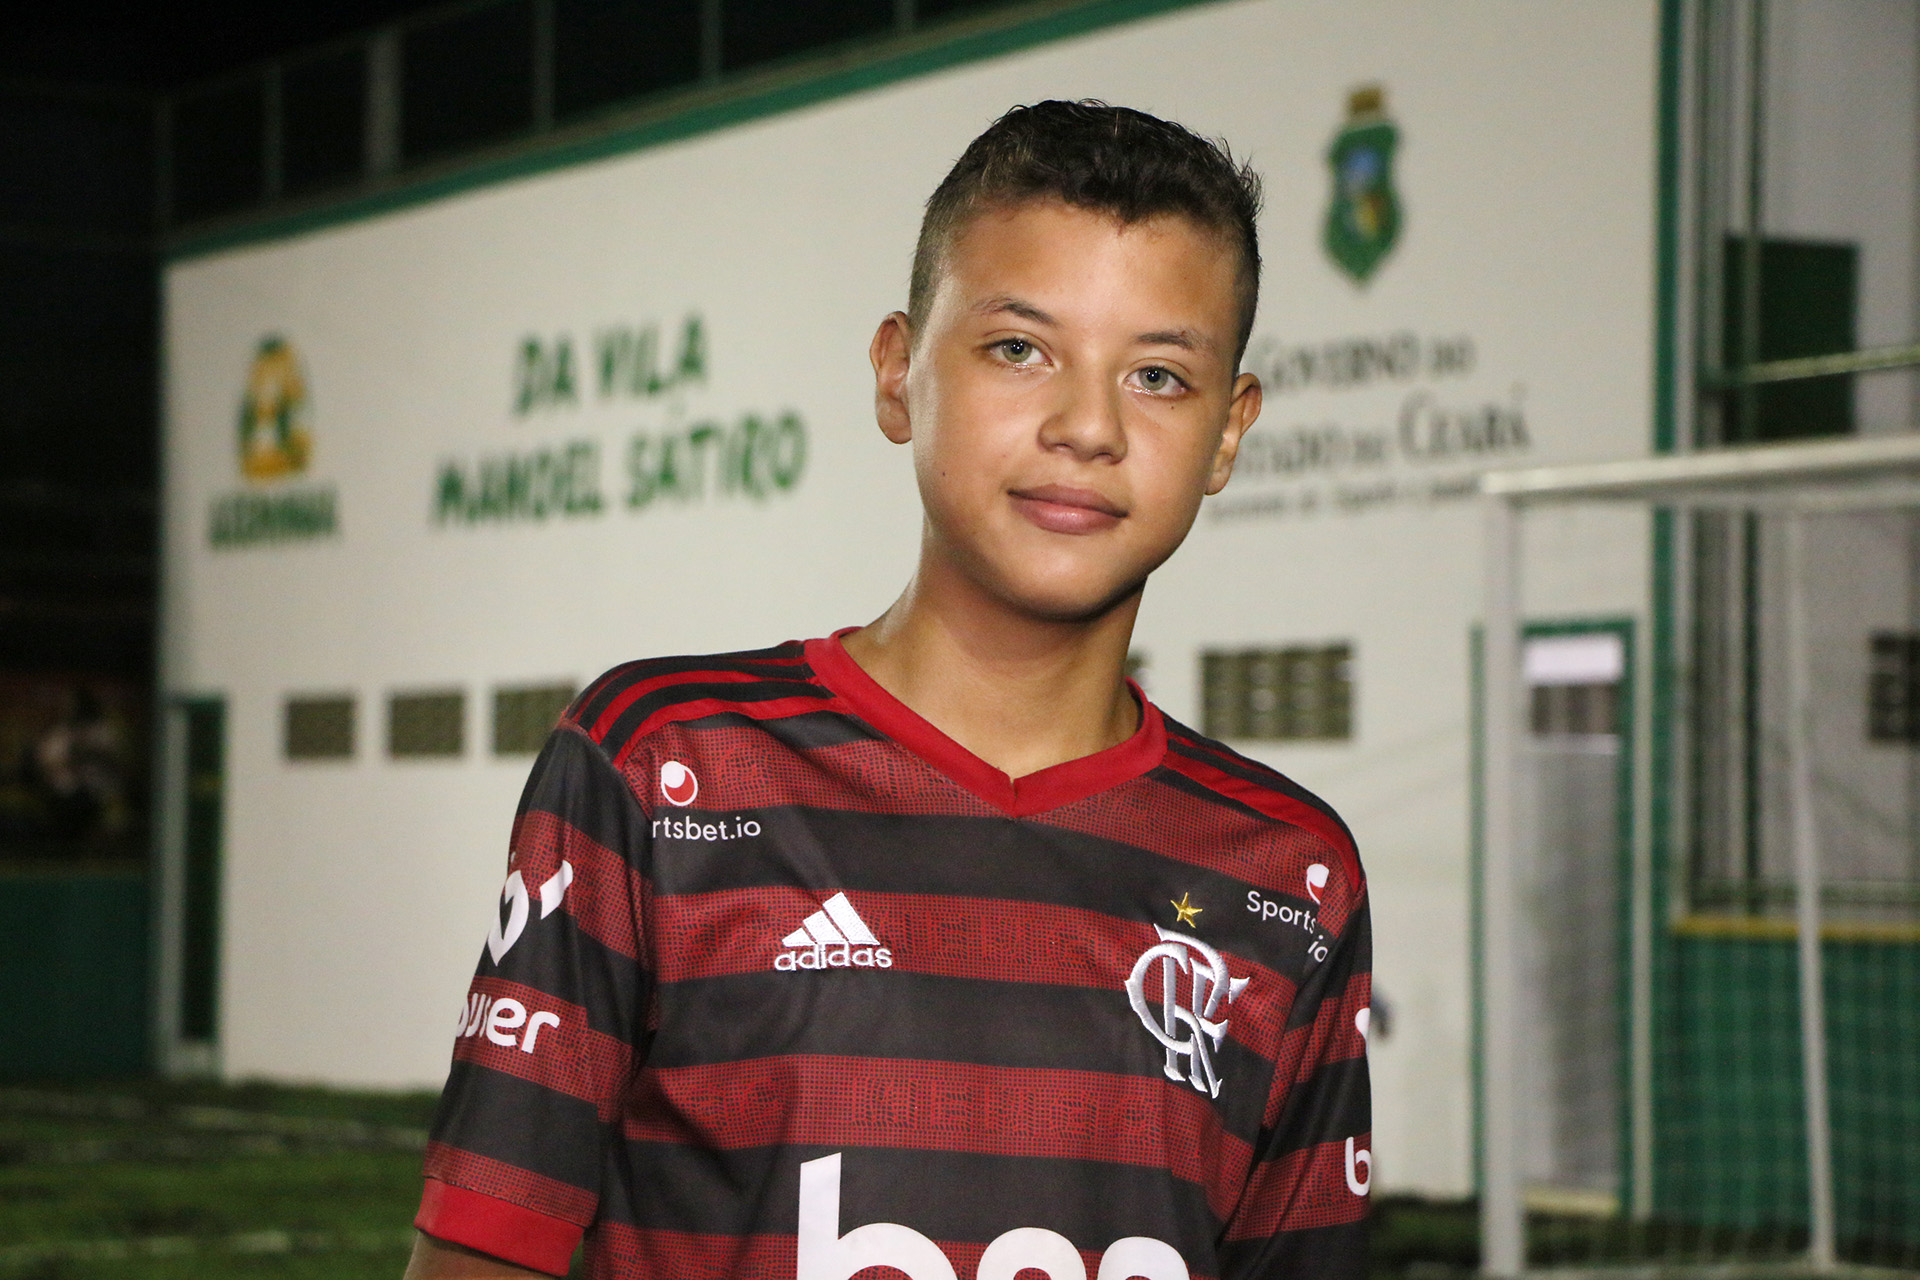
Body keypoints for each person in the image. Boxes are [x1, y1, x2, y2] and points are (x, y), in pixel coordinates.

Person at [405, 99, 1371, 1280]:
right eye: (1019, 348)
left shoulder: (1291, 873)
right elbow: (482, 1255)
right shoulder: (660, 767)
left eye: (1160, 375)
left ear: (1229, 432)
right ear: (898, 373)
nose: (1086, 426)